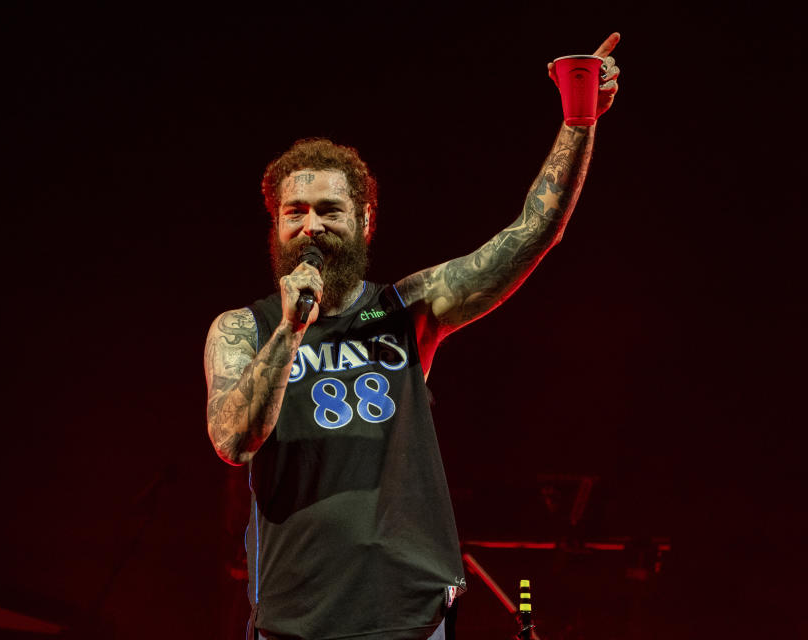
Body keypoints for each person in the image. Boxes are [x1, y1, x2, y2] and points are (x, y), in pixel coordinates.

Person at [205, 33, 621, 640]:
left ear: (365, 221)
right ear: (275, 224)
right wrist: (293, 328)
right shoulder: (244, 328)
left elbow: (532, 233)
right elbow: (232, 440)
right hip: (295, 621)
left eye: (329, 208)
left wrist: (579, 123)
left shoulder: (407, 310)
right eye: (294, 211)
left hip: (407, 617)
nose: (311, 224)